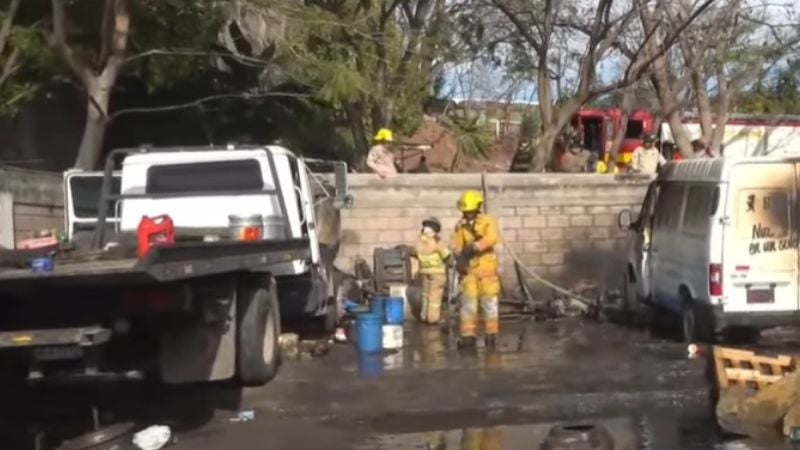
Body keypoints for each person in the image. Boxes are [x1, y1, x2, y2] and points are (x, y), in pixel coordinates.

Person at [451, 190, 500, 351]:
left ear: (477, 208)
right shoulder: (460, 226)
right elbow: (456, 245)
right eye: (466, 212)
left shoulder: (487, 222)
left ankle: (491, 334)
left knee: (489, 304)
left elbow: (492, 238)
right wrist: (460, 257)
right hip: (469, 272)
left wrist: (474, 247)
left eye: (470, 211)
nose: (468, 214)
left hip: (487, 272)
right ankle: (468, 336)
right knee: (468, 305)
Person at [410, 217, 451, 325]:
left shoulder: (419, 239)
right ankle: (432, 319)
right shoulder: (436, 239)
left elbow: (414, 252)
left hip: (423, 271)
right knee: (434, 297)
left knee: (425, 295)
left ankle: (424, 316)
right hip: (437, 272)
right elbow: (446, 254)